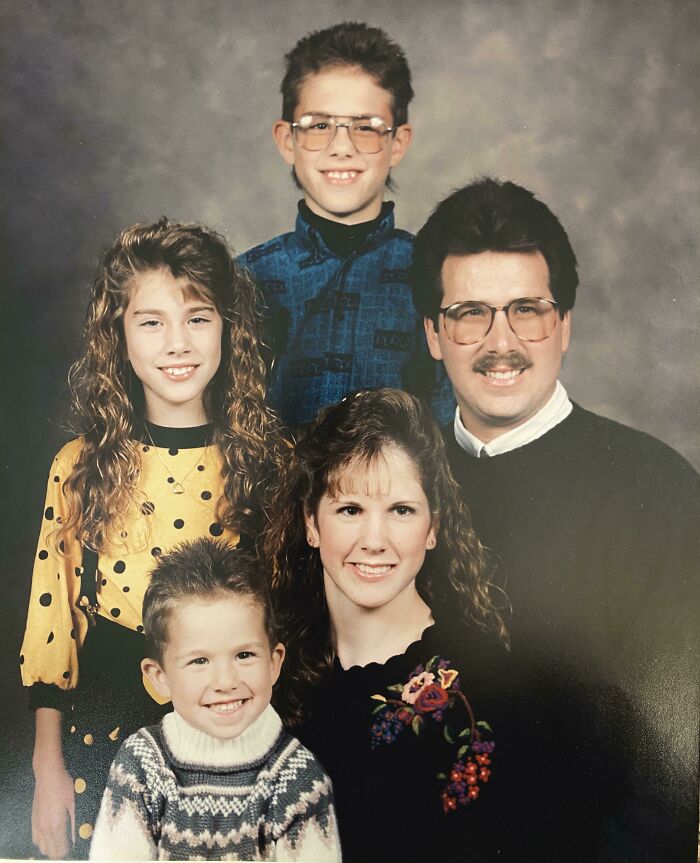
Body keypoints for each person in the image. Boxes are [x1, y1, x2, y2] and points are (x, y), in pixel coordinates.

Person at [410, 177, 700, 861]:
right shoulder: (393, 489)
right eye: (470, 314)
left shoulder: (655, 488)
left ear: (564, 324)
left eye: (527, 311)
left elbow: (673, 767)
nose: (500, 343)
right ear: (433, 334)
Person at [19, 219, 284, 859]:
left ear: (227, 329)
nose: (177, 343)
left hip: (229, 735)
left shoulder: (265, 464)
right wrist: (46, 768)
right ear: (119, 336)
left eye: (197, 318)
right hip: (104, 732)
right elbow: (52, 625)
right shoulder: (81, 467)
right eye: (151, 322)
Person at [264, 388, 512, 863]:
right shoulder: (266, 674)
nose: (374, 540)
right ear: (311, 524)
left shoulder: (490, 687)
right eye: (350, 510)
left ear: (432, 527)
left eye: (401, 510)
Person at [239, 21, 454, 429]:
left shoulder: (434, 275)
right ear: (287, 140)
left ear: (398, 143)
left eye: (365, 127)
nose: (342, 147)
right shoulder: (243, 278)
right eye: (319, 125)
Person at [89, 538, 341, 861]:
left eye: (244, 655)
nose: (225, 682)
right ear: (159, 676)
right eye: (199, 661)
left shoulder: (298, 780)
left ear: (274, 662)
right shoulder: (142, 766)